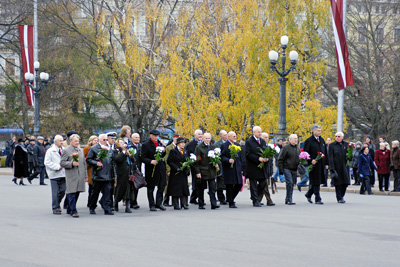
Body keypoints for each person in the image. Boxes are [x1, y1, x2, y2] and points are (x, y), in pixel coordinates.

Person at [86, 133, 115, 215]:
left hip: (107, 175)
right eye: (104, 140)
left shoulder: (109, 149)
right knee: (95, 193)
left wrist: (113, 175)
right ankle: (92, 207)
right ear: (99, 140)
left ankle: (107, 208)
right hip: (98, 175)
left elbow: (112, 162)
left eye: (106, 140)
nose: (105, 141)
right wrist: (96, 163)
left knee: (107, 193)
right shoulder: (94, 148)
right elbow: (88, 159)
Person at [60, 134, 87, 218]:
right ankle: (73, 210)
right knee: (71, 193)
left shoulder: (80, 150)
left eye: (78, 141)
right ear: (70, 141)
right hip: (71, 175)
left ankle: (70, 209)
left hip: (80, 175)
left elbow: (83, 164)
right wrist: (72, 163)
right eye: (75, 141)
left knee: (77, 192)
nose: (77, 142)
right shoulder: (67, 150)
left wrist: (85, 175)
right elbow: (62, 162)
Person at [141, 129, 167, 211]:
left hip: (160, 168)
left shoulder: (159, 143)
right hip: (151, 169)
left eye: (157, 136)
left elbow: (162, 155)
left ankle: (159, 203)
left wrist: (163, 151)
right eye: (155, 136)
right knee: (151, 187)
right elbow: (143, 157)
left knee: (161, 186)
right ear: (151, 136)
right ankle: (151, 204)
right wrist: (150, 161)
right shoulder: (146, 145)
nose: (156, 137)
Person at [194, 132, 220, 209]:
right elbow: (196, 161)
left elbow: (217, 157)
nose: (208, 140)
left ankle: (213, 204)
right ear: (203, 139)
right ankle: (201, 203)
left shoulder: (213, 146)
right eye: (206, 138)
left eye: (209, 138)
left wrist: (216, 163)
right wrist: (198, 172)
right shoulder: (199, 147)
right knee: (201, 188)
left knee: (212, 188)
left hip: (211, 171)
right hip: (203, 171)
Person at [303, 125, 328, 205]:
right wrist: (311, 160)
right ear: (313, 131)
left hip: (321, 164)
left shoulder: (322, 140)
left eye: (320, 130)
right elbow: (305, 153)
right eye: (318, 130)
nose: (319, 132)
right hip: (313, 165)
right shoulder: (309, 141)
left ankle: (309, 194)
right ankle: (318, 198)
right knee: (316, 181)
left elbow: (325, 153)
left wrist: (327, 163)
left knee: (318, 181)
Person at [245, 126, 269, 207]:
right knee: (253, 184)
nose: (260, 133)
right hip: (253, 166)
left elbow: (265, 151)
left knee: (263, 183)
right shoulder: (249, 142)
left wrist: (267, 158)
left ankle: (255, 197)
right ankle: (255, 200)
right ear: (254, 132)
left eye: (260, 132)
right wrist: (258, 158)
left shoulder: (262, 141)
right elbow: (248, 154)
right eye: (258, 132)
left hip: (262, 167)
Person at [44, 135, 66, 214]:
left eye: (62, 140)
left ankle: (57, 203)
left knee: (63, 190)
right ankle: (55, 207)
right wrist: (57, 167)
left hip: (63, 174)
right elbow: (47, 162)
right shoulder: (50, 151)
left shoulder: (64, 150)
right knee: (55, 192)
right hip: (54, 174)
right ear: (55, 142)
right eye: (60, 141)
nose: (62, 142)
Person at [220, 131, 243, 208]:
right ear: (229, 137)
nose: (235, 138)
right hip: (228, 169)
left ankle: (230, 198)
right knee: (229, 186)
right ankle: (231, 202)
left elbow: (240, 157)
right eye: (233, 136)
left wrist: (242, 168)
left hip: (237, 168)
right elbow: (221, 157)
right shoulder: (224, 145)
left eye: (235, 136)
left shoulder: (237, 145)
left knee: (239, 184)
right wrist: (228, 160)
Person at [167, 137, 190, 210]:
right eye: (181, 143)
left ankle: (184, 203)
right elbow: (169, 161)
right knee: (176, 189)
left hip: (183, 173)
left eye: (184, 143)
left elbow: (188, 161)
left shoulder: (185, 151)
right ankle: (176, 204)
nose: (183, 144)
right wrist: (176, 168)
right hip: (176, 173)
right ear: (178, 144)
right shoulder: (173, 151)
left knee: (184, 188)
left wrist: (187, 169)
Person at [113, 138, 136, 213]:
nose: (123, 144)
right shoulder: (116, 151)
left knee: (129, 189)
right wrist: (123, 152)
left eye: (123, 142)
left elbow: (134, 161)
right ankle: (116, 203)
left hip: (128, 173)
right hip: (121, 174)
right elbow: (117, 159)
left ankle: (127, 206)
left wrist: (130, 155)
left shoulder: (127, 151)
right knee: (119, 189)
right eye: (120, 143)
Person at [278, 134, 301, 205]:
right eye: (294, 139)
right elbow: (280, 158)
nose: (295, 140)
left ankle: (288, 198)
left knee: (292, 183)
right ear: (290, 140)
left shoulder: (297, 148)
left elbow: (299, 157)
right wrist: (281, 169)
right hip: (287, 168)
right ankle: (289, 199)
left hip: (294, 168)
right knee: (290, 183)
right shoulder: (286, 148)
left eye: (296, 139)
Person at [328, 132, 350, 203]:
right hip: (336, 167)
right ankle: (339, 198)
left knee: (345, 183)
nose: (337, 137)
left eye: (339, 136)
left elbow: (349, 155)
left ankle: (342, 195)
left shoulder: (346, 144)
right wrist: (332, 168)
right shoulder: (332, 145)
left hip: (345, 166)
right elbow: (330, 157)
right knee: (338, 183)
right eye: (336, 136)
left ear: (342, 137)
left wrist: (350, 157)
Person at [185, 129, 203, 205]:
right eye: (198, 134)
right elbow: (188, 154)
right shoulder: (191, 144)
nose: (200, 135)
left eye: (201, 134)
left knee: (201, 182)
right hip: (194, 165)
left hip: (203, 165)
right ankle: (197, 198)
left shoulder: (203, 143)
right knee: (197, 181)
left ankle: (194, 198)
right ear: (195, 135)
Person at [257, 132, 275, 206]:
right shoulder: (259, 147)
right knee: (264, 184)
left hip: (267, 169)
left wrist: (271, 171)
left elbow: (271, 161)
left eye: (267, 137)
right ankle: (269, 200)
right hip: (260, 169)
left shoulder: (269, 147)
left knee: (263, 185)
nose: (266, 139)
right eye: (265, 137)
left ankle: (258, 199)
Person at [163, 135, 179, 207]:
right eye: (176, 139)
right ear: (173, 139)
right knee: (168, 184)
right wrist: (168, 170)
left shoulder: (180, 148)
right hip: (170, 169)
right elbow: (167, 160)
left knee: (175, 185)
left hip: (177, 169)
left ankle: (174, 201)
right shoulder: (169, 147)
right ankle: (166, 200)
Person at [83, 135, 98, 207]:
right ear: (91, 141)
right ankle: (90, 202)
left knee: (95, 188)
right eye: (95, 140)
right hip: (90, 168)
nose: (96, 142)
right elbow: (85, 159)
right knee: (91, 187)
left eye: (97, 140)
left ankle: (93, 202)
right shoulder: (87, 148)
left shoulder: (98, 148)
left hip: (97, 168)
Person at [214, 130, 228, 205]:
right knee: (220, 182)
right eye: (224, 135)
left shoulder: (229, 143)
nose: (226, 136)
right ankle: (221, 198)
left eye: (226, 135)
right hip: (220, 165)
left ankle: (229, 197)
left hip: (228, 165)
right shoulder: (217, 144)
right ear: (221, 136)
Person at [129, 133, 142, 209]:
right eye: (136, 137)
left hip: (138, 168)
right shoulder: (129, 146)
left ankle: (135, 200)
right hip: (131, 169)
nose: (137, 139)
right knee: (132, 186)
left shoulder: (140, 146)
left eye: (138, 137)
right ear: (132, 138)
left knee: (137, 185)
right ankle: (131, 201)